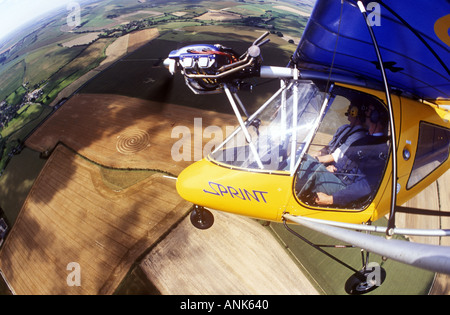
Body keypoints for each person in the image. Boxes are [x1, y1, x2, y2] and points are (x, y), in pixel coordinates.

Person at [296, 102, 390, 207]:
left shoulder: (380, 149)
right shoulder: (364, 140)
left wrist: (331, 199)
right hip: (337, 178)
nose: (366, 113)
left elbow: (367, 186)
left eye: (370, 111)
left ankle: (285, 196)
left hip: (344, 188)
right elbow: (344, 160)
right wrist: (332, 167)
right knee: (303, 158)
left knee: (308, 167)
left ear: (375, 117)